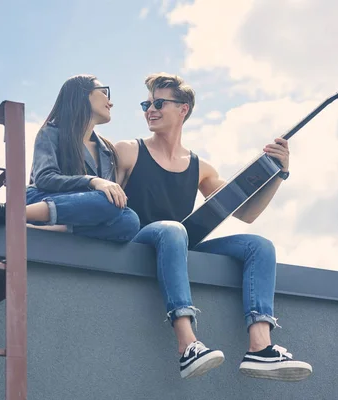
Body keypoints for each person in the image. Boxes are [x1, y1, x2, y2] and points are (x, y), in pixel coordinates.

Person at [114, 73, 313, 381]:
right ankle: (187, 345)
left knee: (259, 245)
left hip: (178, 244)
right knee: (171, 229)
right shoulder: (128, 151)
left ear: (183, 109)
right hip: (139, 242)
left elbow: (247, 213)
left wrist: (279, 174)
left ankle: (260, 348)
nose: (149, 110)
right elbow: (106, 208)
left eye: (158, 103)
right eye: (147, 103)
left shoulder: (201, 168)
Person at [0, 74, 140, 243]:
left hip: (81, 213)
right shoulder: (51, 132)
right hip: (41, 199)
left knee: (130, 220)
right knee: (108, 201)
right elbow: (44, 178)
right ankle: (10, 213)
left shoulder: (106, 151)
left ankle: (53, 230)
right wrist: (92, 181)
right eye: (104, 92)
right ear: (82, 94)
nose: (110, 102)